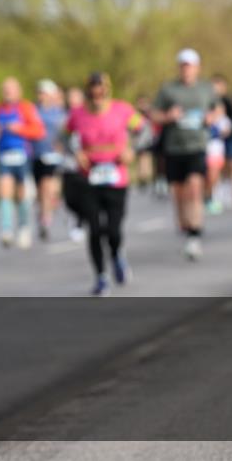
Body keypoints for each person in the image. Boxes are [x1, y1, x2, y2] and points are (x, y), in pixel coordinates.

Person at [65, 73, 143, 296]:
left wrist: (132, 150)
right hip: (88, 177)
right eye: (92, 93)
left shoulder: (123, 110)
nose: (97, 97)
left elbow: (145, 130)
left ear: (108, 91)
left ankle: (117, 254)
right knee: (95, 228)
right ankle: (100, 276)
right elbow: (63, 136)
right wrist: (76, 152)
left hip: (116, 175)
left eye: (101, 92)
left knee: (114, 230)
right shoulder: (77, 114)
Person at [151, 49, 219, 261]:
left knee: (195, 188)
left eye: (190, 65)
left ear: (197, 67)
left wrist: (211, 117)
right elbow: (154, 114)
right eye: (183, 65)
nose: (186, 69)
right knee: (179, 193)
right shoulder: (168, 89)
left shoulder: (206, 88)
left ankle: (195, 233)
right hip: (174, 148)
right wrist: (168, 116)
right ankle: (186, 225)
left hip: (197, 146)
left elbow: (219, 109)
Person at [0, 77, 46, 249]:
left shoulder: (26, 108)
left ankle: (24, 227)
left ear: (18, 91)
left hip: (23, 156)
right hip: (4, 156)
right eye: (5, 89)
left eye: (11, 89)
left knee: (22, 194)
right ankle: (6, 230)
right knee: (4, 191)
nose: (8, 92)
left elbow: (39, 131)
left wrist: (20, 129)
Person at [32, 79, 66, 241]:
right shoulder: (33, 111)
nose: (42, 96)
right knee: (40, 191)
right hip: (36, 155)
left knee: (47, 187)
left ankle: (46, 220)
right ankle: (44, 212)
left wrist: (62, 145)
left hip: (54, 156)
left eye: (45, 93)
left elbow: (66, 133)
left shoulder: (59, 112)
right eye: (40, 93)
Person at [60, 86, 88, 242]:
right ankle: (74, 216)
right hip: (68, 163)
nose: (72, 100)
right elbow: (61, 137)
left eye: (75, 97)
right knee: (69, 197)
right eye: (70, 97)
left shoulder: (87, 116)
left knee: (84, 196)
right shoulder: (64, 117)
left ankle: (79, 223)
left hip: (84, 164)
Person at [205, 74, 232, 214]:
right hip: (200, 147)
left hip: (216, 147)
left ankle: (212, 197)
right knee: (203, 176)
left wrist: (221, 130)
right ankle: (207, 196)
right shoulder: (203, 103)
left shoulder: (224, 108)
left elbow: (228, 128)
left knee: (213, 174)